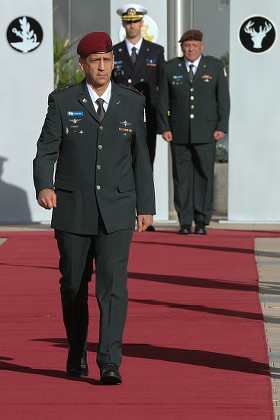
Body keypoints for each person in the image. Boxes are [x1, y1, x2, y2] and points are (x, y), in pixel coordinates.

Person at [33, 31, 155, 385]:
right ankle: (76, 349)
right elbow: (46, 150)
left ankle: (110, 360)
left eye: (108, 60)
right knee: (73, 284)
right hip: (72, 208)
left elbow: (140, 159)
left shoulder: (132, 102)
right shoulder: (62, 101)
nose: (103, 67)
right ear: (82, 64)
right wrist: (45, 184)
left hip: (118, 208)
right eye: (95, 61)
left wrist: (145, 205)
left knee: (113, 285)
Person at [157, 29, 230, 234]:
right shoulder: (170, 67)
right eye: (186, 46)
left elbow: (223, 99)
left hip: (207, 131)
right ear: (182, 47)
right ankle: (185, 222)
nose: (190, 49)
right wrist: (164, 127)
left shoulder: (214, 67)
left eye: (194, 45)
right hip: (178, 131)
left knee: (204, 175)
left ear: (201, 46)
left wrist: (221, 126)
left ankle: (201, 220)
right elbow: (163, 100)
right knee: (181, 177)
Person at [112, 3, 165, 170]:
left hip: (147, 114)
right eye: (128, 22)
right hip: (121, 114)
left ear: (142, 23)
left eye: (135, 21)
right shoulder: (114, 51)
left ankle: (145, 197)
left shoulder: (156, 51)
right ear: (123, 24)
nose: (132, 25)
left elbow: (162, 87)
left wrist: (163, 121)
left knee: (146, 163)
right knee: (122, 163)